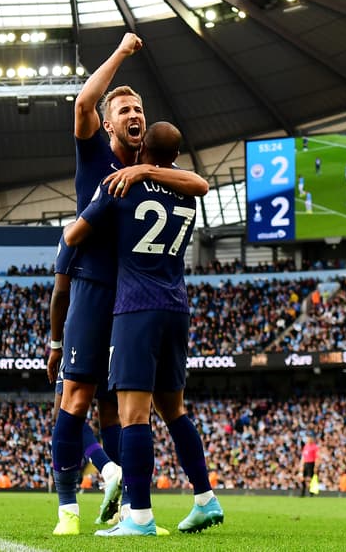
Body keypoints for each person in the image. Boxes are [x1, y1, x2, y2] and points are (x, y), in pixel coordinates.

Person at [48, 33, 209, 537]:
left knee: (119, 409)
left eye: (139, 107)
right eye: (125, 109)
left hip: (134, 300)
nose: (134, 114)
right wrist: (120, 53)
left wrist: (144, 167)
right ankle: (67, 510)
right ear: (109, 123)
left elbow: (200, 183)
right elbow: (82, 101)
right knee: (74, 398)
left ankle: (128, 507)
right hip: (96, 288)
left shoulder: (156, 171)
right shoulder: (96, 155)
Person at [66, 121, 223, 537]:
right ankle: (206, 499)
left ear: (144, 153)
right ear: (174, 155)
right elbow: (198, 182)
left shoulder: (122, 187)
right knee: (174, 410)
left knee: (133, 414)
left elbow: (74, 233)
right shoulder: (187, 194)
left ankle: (139, 518)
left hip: (135, 309)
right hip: (176, 306)